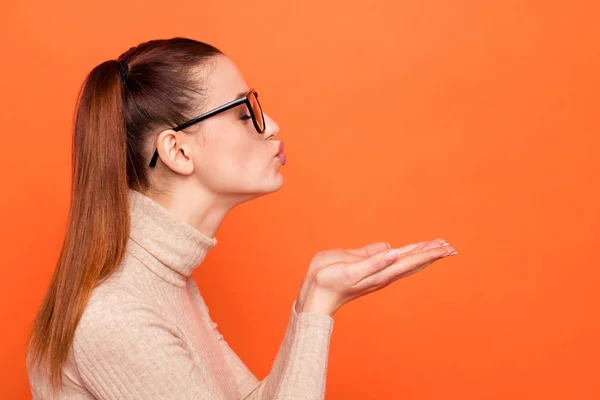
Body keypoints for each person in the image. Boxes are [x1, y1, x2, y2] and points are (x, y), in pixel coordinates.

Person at [25, 37, 458, 399]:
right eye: (242, 112)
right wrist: (319, 310)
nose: (270, 124)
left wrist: (314, 298)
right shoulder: (119, 315)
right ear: (178, 151)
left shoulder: (163, 280)